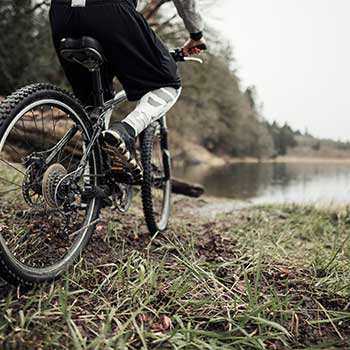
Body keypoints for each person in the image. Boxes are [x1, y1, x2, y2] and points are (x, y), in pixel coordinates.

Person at [49, 0, 206, 182]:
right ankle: (125, 132)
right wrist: (196, 33)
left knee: (95, 104)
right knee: (168, 84)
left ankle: (90, 187)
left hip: (60, 14)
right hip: (111, 11)